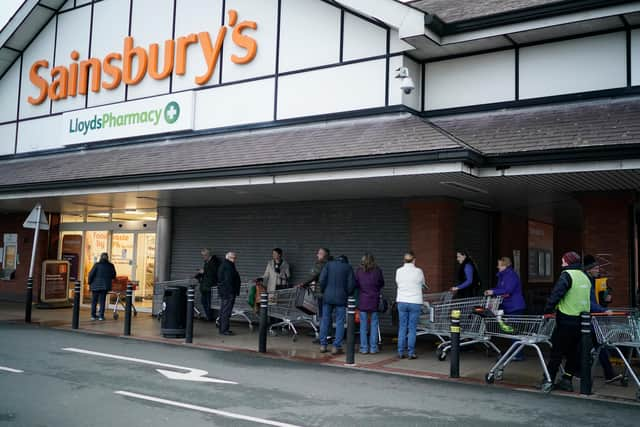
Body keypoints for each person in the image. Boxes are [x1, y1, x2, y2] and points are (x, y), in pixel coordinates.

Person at [543, 251, 592, 392]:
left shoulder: (567, 275)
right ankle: (567, 379)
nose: (561, 264)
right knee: (573, 353)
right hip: (582, 320)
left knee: (557, 351)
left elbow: (557, 294)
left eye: (563, 261)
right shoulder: (585, 276)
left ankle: (549, 379)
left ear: (567, 262)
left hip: (566, 317)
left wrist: (548, 310)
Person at [583, 254, 620, 384]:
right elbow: (588, 301)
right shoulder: (584, 282)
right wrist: (603, 310)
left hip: (596, 317)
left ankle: (609, 374)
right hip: (590, 317)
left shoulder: (598, 280)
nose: (598, 270)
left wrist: (608, 296)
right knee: (593, 344)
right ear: (589, 269)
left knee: (600, 344)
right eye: (596, 268)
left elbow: (605, 291)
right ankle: (573, 373)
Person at [485, 257, 526, 360]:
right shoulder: (503, 276)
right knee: (512, 331)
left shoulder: (510, 275)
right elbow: (500, 288)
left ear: (504, 265)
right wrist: (491, 290)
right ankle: (516, 353)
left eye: (499, 264)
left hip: (515, 306)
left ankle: (517, 355)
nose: (497, 266)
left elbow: (508, 290)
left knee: (514, 331)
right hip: (509, 306)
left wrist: (493, 292)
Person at [319, 254, 356, 355]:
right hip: (341, 297)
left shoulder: (328, 265)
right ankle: (336, 347)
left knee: (325, 320)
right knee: (340, 322)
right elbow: (351, 284)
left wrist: (324, 291)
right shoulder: (348, 267)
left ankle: (323, 345)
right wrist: (347, 293)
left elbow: (322, 280)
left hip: (327, 296)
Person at [395, 252, 426, 359]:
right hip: (415, 302)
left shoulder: (399, 271)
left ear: (404, 260)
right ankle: (411, 353)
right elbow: (423, 284)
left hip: (402, 301)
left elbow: (398, 283)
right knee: (412, 328)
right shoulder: (419, 271)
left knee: (402, 327)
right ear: (414, 260)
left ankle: (400, 352)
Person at [355, 253, 384, 354]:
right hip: (374, 300)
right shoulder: (377, 271)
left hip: (363, 300)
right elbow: (381, 283)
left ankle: (363, 348)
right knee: (374, 324)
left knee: (363, 325)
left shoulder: (359, 271)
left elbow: (356, 284)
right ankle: (373, 348)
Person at [301, 248, 331, 343]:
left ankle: (322, 337)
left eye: (319, 253)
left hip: (322, 293)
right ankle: (328, 335)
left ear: (324, 255)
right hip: (330, 294)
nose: (317, 255)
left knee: (322, 315)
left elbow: (312, 275)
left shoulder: (320, 264)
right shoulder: (331, 263)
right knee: (327, 315)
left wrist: (303, 284)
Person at [217, 252, 241, 336]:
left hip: (225, 291)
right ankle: (224, 330)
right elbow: (228, 280)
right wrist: (231, 292)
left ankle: (222, 328)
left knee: (223, 310)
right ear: (228, 257)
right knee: (226, 311)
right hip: (228, 292)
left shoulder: (225, 265)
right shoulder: (228, 266)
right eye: (232, 257)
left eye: (235, 258)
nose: (234, 259)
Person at [88, 252, 116, 321]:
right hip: (105, 286)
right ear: (107, 258)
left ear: (100, 257)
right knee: (102, 301)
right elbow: (114, 276)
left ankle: (93, 315)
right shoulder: (111, 266)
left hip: (95, 285)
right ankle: (101, 316)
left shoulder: (97, 265)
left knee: (94, 301)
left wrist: (89, 282)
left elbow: (91, 274)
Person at [195, 248, 220, 321]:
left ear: (207, 255)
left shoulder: (214, 262)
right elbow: (206, 272)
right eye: (202, 255)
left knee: (208, 302)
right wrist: (198, 275)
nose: (203, 257)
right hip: (204, 286)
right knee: (204, 302)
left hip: (209, 286)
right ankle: (208, 316)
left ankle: (209, 317)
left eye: (204, 255)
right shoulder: (206, 262)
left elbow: (213, 274)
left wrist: (204, 271)